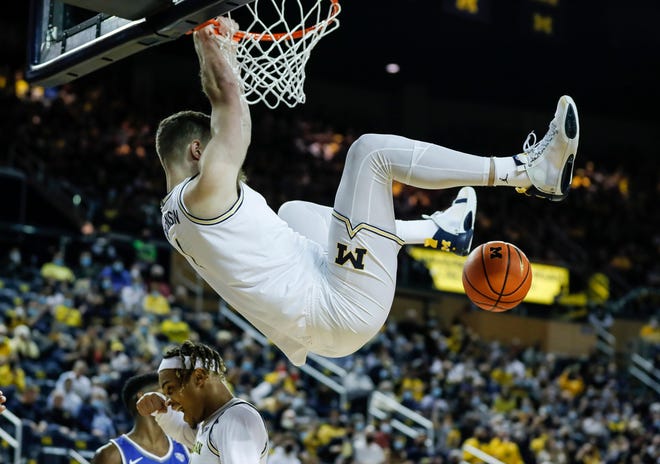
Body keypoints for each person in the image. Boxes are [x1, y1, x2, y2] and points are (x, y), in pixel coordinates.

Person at [157, 18, 579, 366]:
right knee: (371, 153)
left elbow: (231, 120)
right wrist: (209, 40)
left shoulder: (175, 215)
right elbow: (228, 105)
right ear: (199, 150)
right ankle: (525, 171)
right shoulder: (201, 197)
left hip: (318, 319)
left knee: (293, 211)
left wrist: (225, 53)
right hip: (338, 306)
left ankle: (438, 230)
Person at [135, 340, 269, 463]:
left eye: (170, 389)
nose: (169, 402)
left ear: (199, 377)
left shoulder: (235, 418)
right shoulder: (214, 421)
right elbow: (180, 430)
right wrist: (161, 409)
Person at [91, 372, 190, 464]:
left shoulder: (186, 447)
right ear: (142, 398)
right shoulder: (111, 455)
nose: (171, 399)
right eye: (164, 394)